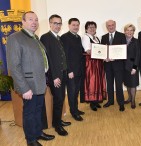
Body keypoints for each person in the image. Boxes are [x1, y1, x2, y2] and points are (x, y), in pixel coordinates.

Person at [6, 11, 54, 146]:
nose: (34, 22)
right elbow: (14, 66)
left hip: (40, 83)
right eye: (31, 19)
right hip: (28, 85)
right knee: (29, 113)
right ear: (23, 21)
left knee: (38, 110)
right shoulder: (15, 38)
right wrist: (24, 88)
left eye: (36, 20)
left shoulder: (35, 38)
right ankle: (31, 140)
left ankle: (38, 132)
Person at [40, 14, 71, 136]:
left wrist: (66, 71)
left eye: (59, 23)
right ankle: (57, 126)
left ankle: (57, 121)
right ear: (50, 24)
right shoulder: (45, 37)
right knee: (58, 100)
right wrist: (54, 77)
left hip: (62, 73)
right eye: (55, 23)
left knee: (61, 99)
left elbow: (61, 57)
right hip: (55, 76)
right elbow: (47, 60)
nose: (57, 26)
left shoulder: (58, 38)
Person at [61, 18, 85, 121]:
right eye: (74, 25)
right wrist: (69, 70)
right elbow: (64, 55)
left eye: (77, 25)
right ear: (69, 25)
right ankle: (73, 112)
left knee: (76, 92)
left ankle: (76, 108)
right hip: (71, 72)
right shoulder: (65, 37)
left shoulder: (78, 37)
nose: (76, 27)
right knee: (71, 92)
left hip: (79, 70)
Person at [101, 20, 127, 111]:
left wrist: (115, 58)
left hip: (118, 65)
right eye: (109, 25)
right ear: (106, 27)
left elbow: (124, 51)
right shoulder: (103, 37)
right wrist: (104, 57)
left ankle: (121, 103)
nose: (111, 27)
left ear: (115, 25)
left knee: (119, 85)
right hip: (107, 65)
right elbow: (103, 51)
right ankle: (110, 101)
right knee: (109, 84)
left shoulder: (122, 35)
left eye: (112, 25)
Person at [81, 21, 106, 111]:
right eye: (90, 27)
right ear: (86, 29)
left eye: (93, 27)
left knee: (97, 81)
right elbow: (88, 51)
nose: (92, 29)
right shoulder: (85, 37)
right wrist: (101, 54)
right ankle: (92, 102)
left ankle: (96, 101)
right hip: (91, 63)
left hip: (98, 63)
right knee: (92, 81)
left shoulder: (96, 38)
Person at [123, 24, 140, 109]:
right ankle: (129, 98)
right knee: (127, 84)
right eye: (127, 30)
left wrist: (135, 67)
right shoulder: (122, 41)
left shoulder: (136, 41)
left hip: (133, 66)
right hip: (124, 67)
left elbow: (138, 55)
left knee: (133, 84)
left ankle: (133, 101)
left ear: (133, 32)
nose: (129, 32)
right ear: (125, 31)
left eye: (131, 30)